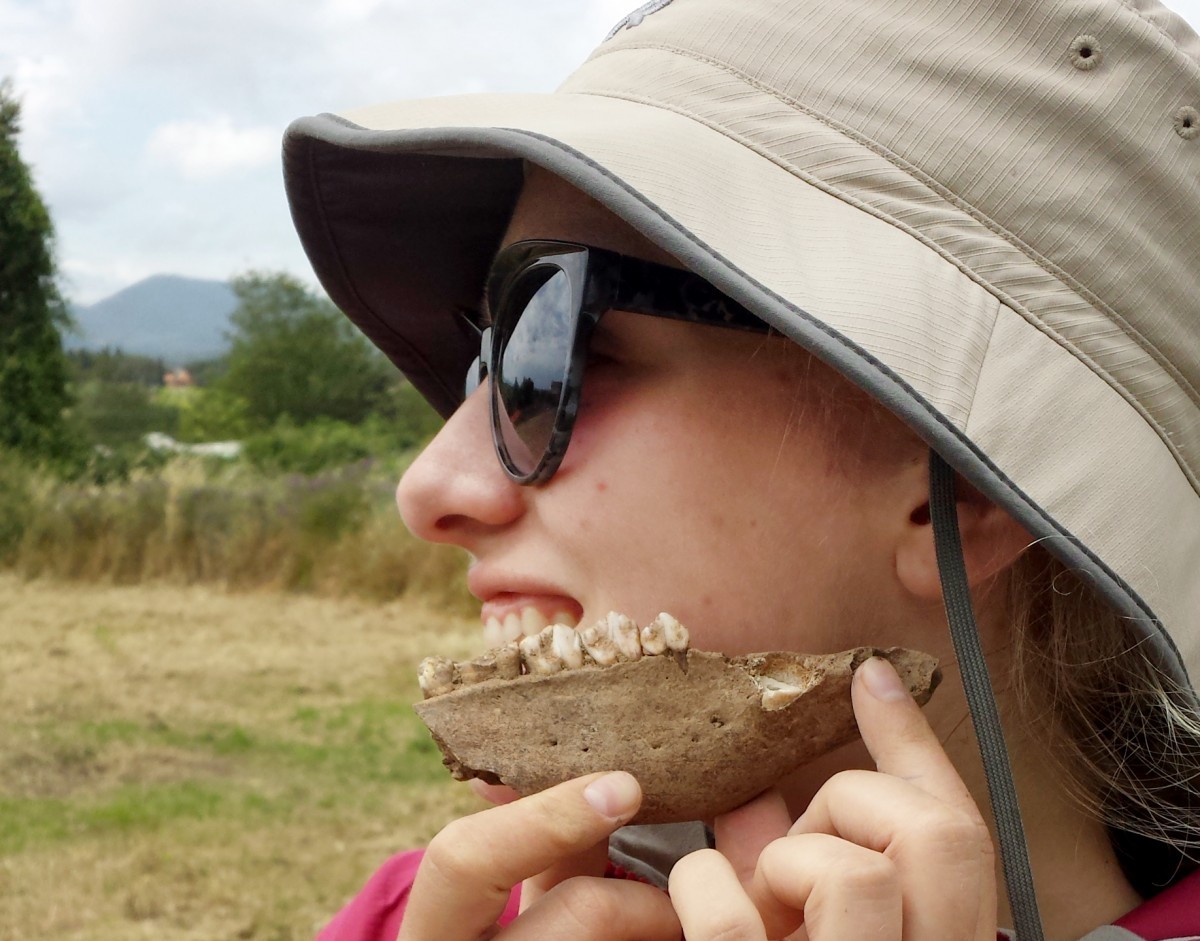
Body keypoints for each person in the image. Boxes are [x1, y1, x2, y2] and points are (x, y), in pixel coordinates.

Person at [282, 0, 1200, 937]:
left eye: (547, 347)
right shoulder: (427, 915)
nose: (430, 487)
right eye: (486, 361)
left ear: (960, 488)